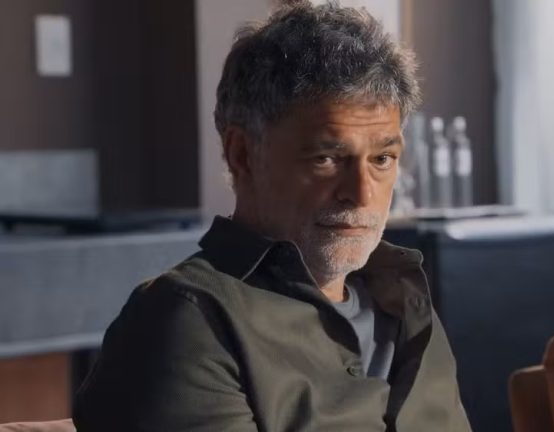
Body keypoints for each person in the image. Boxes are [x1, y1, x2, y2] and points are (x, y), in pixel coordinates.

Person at [73, 2, 471, 431]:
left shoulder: (403, 296)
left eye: (382, 159)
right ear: (242, 155)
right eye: (326, 158)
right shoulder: (189, 320)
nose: (362, 194)